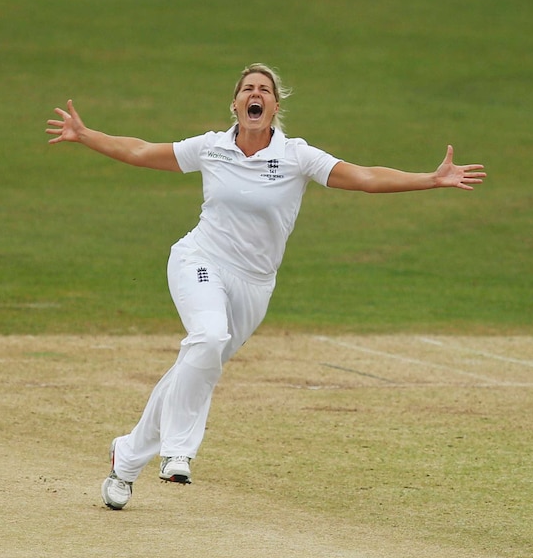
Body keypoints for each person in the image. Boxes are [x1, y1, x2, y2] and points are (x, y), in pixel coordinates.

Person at [46, 63, 486, 510]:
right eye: (247, 89)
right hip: (200, 261)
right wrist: (86, 135)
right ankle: (178, 450)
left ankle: (126, 458)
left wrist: (430, 180)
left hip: (255, 285)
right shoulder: (211, 148)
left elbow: (366, 178)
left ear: (275, 106)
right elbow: (140, 151)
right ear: (236, 104)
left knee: (197, 365)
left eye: (265, 90)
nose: (255, 95)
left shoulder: (298, 156)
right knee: (208, 338)